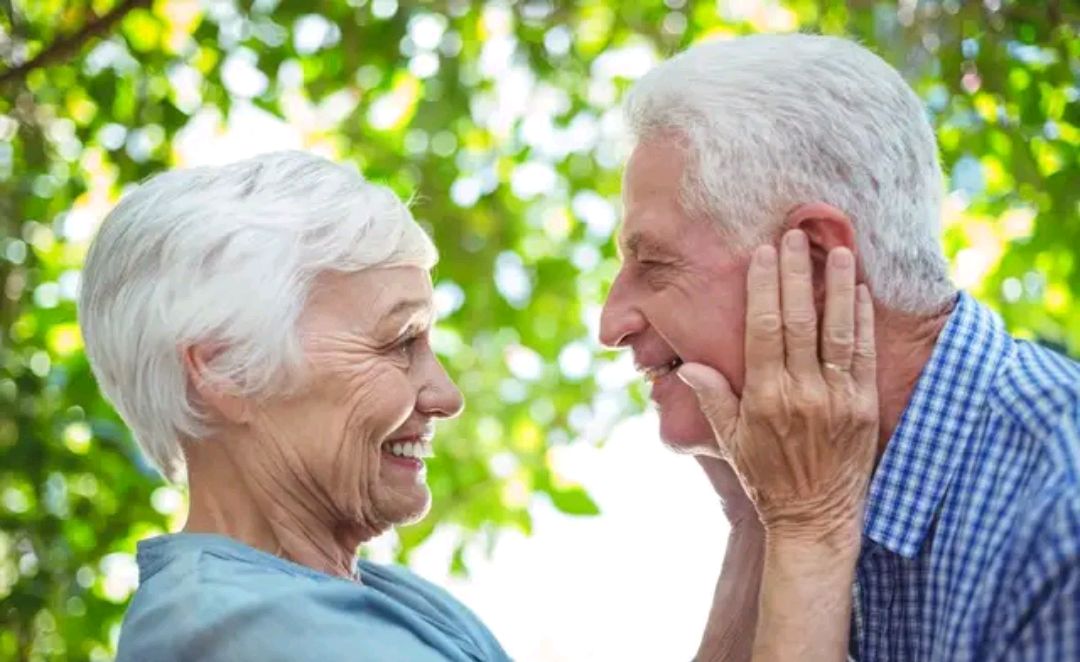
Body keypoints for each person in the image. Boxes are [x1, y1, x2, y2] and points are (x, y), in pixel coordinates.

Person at [79, 149, 875, 661]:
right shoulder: (244, 633)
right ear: (225, 372)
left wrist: (756, 526)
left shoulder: (358, 600)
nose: (445, 394)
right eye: (399, 345)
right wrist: (811, 525)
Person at [601, 33, 1080, 661]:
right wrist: (760, 524)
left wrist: (803, 525)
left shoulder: (1059, 512)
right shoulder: (817, 478)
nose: (611, 324)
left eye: (655, 262)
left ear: (819, 261)